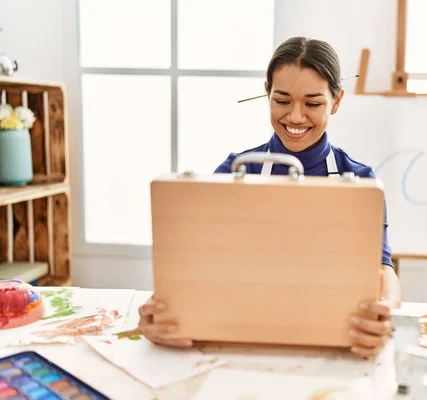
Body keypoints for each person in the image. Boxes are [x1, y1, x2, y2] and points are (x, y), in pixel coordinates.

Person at [139, 36, 402, 357]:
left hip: (333, 344)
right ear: (267, 95)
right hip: (237, 338)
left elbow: (382, 270)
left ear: (336, 101)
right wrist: (161, 313)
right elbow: (193, 267)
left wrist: (386, 314)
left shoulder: (361, 180)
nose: (295, 116)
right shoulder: (234, 170)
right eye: (282, 100)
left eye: (313, 103)